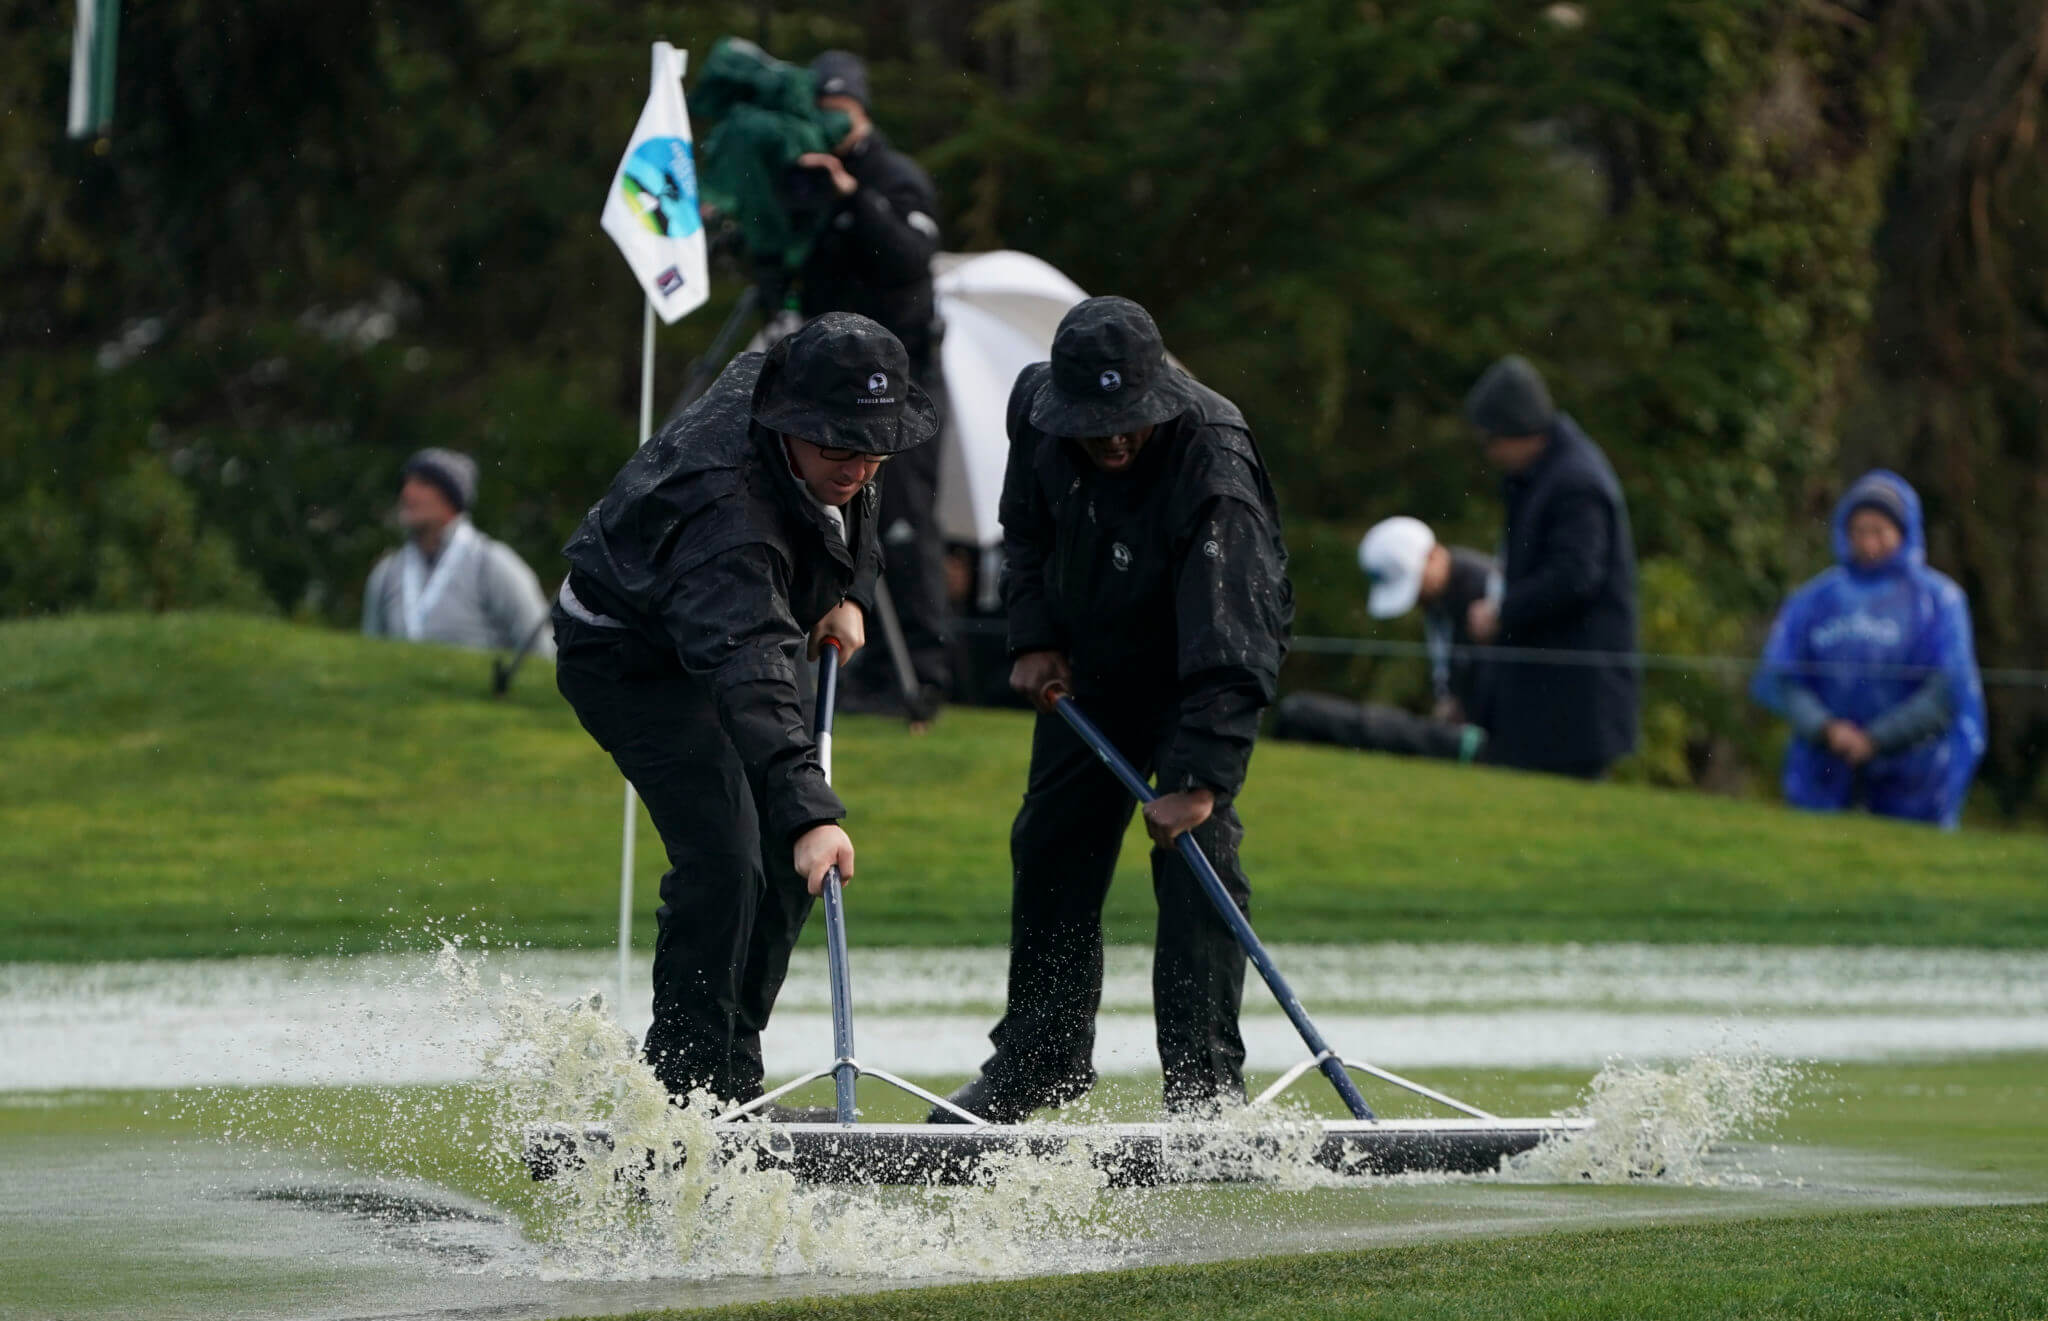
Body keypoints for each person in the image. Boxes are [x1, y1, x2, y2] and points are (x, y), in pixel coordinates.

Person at [551, 314, 938, 1108]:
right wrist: (810, 814)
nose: (859, 465)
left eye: (874, 446)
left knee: (790, 859)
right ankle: (685, 1099)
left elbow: (852, 504)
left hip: (736, 628)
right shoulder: (728, 516)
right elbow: (750, 671)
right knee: (729, 858)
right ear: (790, 421)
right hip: (628, 652)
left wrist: (849, 591)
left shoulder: (826, 430)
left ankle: (729, 1082)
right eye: (839, 445)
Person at [932, 296, 1292, 1124]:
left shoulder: (1214, 463)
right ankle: (1041, 1060)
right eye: (1094, 426)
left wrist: (1199, 778)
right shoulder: (1036, 409)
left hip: (1197, 662)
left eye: (1127, 421)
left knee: (1197, 855)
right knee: (1051, 838)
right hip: (1092, 661)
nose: (1114, 439)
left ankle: (1204, 1095)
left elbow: (1236, 636)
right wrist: (1033, 636)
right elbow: (1026, 530)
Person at [795, 51, 951, 717]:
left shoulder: (894, 177)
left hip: (902, 379)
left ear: (861, 112)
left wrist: (853, 197)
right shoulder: (802, 176)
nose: (830, 125)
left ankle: (920, 672)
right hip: (831, 387)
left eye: (840, 112)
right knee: (837, 516)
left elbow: (910, 258)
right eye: (820, 112)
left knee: (903, 521)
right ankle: (846, 665)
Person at [1751, 470, 1986, 828]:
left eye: (1879, 531)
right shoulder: (1815, 599)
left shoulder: (1939, 600)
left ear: (1903, 531)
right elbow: (1785, 677)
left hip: (1914, 781)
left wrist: (1877, 739)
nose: (1868, 543)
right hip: (1824, 770)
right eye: (1859, 531)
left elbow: (1947, 690)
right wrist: (1828, 729)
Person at [1463, 355, 1639, 779]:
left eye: (1493, 440)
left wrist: (1502, 612)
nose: (1490, 453)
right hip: (1546, 702)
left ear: (1520, 430)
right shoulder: (1542, 475)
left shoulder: (1576, 482)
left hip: (1573, 708)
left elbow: (1576, 576)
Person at [1273, 516, 1493, 761]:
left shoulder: (1487, 592)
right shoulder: (1440, 603)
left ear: (1434, 556)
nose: (1417, 599)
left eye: (1417, 586)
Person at [361, 448, 555, 658]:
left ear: (451, 497)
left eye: (423, 483)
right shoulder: (386, 573)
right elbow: (369, 657)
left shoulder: (493, 564)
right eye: (406, 483)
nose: (407, 493)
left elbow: (541, 653)